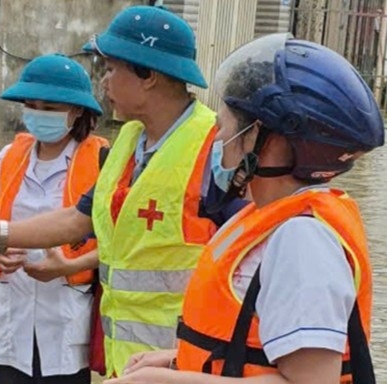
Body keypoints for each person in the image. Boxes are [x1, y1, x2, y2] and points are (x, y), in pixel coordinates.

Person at [0, 5, 248, 378]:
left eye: (110, 69)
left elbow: (250, 260)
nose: (103, 83)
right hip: (124, 355)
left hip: (186, 361)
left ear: (148, 75)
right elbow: (80, 218)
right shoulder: (129, 142)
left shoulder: (218, 148)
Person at [103, 33, 383, 384]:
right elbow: (252, 348)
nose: (218, 139)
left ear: (268, 139)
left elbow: (311, 381)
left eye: (226, 126)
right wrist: (176, 360)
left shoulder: (303, 239)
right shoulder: (264, 218)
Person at [0, 53, 108, 384]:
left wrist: (69, 266)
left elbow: (120, 246)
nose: (38, 115)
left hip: (67, 308)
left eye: (50, 108)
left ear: (77, 111)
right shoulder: (9, 156)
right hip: (11, 307)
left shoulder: (104, 160)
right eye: (31, 106)